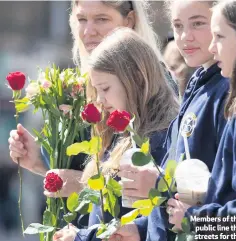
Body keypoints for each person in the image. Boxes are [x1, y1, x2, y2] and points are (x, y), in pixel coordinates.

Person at [105, 1, 230, 241]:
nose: (185, 37)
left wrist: (161, 185)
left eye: (198, 23)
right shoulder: (201, 86)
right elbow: (183, 202)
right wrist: (142, 230)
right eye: (177, 26)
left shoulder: (227, 95)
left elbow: (229, 204)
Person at [8, 0, 176, 199]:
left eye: (101, 19)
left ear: (129, 20)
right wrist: (40, 160)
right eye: (81, 19)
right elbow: (85, 166)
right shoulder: (86, 84)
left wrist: (83, 187)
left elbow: (147, 188)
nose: (89, 31)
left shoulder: (149, 81)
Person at [52, 27, 179, 241]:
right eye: (97, 90)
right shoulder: (122, 132)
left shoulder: (159, 136)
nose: (100, 99)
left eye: (106, 89)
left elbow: (153, 233)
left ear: (135, 80)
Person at [167, 1, 236, 241]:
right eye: (177, 26)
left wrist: (194, 221)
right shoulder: (204, 86)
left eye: (219, 36)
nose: (213, 47)